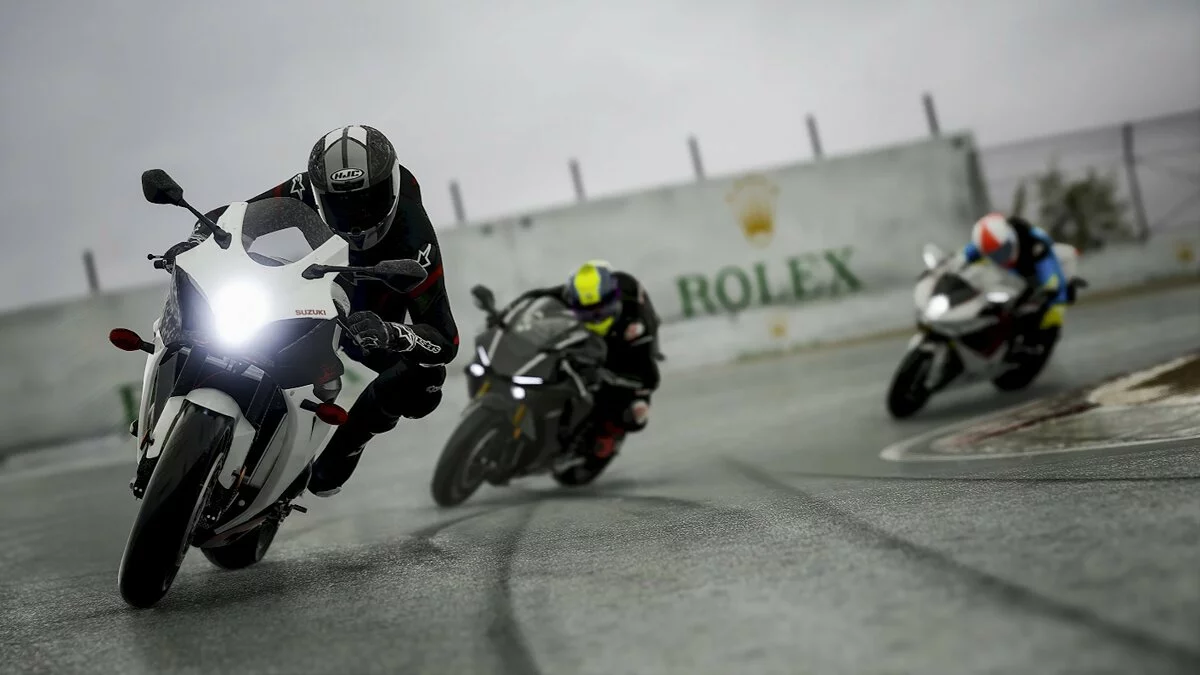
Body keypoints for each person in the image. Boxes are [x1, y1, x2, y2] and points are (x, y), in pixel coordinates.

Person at [160, 124, 459, 497]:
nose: (357, 216)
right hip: (305, 285)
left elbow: (445, 339)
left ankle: (350, 441)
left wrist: (394, 332)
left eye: (370, 199)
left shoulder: (415, 236)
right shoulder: (302, 188)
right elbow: (230, 218)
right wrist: (195, 242)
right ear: (319, 194)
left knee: (425, 384)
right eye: (340, 204)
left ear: (393, 186)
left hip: (370, 317)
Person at [496, 260, 662, 460]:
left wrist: (606, 375)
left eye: (601, 311)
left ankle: (604, 438)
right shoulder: (574, 293)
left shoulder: (635, 328)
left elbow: (650, 379)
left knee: (636, 415)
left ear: (614, 300)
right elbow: (539, 296)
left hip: (623, 348)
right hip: (590, 340)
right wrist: (507, 313)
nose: (595, 318)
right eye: (586, 312)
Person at [960, 212, 1070, 356]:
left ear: (1011, 238)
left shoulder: (1035, 244)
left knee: (1048, 311)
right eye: (994, 255)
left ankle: (1033, 344)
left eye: (1003, 251)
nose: (1001, 256)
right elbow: (964, 256)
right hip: (1009, 279)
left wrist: (1049, 289)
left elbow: (1051, 275)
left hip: (1035, 275)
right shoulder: (988, 244)